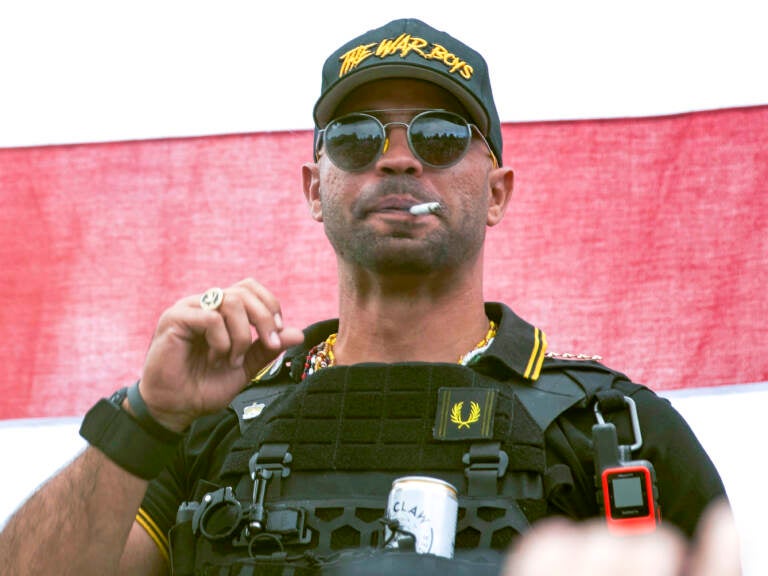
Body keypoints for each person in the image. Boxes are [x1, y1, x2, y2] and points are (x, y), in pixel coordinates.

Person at [0, 18, 729, 576]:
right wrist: (146, 417)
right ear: (316, 188)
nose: (399, 156)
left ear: (498, 192)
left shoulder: (616, 429)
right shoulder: (210, 427)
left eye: (442, 135)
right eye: (355, 137)